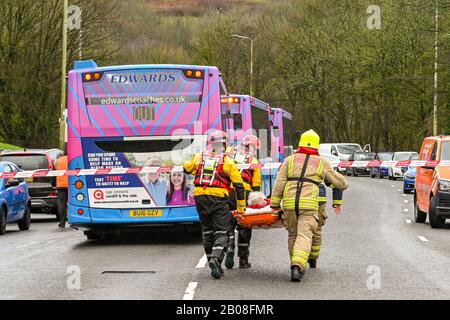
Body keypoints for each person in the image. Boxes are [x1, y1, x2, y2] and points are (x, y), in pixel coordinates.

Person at [270, 129, 348, 282]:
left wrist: (274, 203)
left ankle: (295, 264)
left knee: (293, 235)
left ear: (300, 143)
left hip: (290, 204)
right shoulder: (321, 162)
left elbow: (279, 183)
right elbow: (341, 183)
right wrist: (342, 184)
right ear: (317, 146)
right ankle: (298, 266)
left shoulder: (289, 160)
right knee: (305, 235)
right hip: (309, 205)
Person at [184, 130, 246, 279]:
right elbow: (239, 186)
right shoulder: (227, 162)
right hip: (218, 198)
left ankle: (213, 261)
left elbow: (187, 168)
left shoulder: (200, 157)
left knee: (207, 230)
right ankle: (216, 259)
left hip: (200, 197)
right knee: (222, 231)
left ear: (211, 143)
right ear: (225, 144)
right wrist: (241, 208)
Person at [225, 135, 262, 269]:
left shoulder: (229, 152)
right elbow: (256, 185)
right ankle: (243, 260)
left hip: (228, 192)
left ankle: (229, 247)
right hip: (245, 193)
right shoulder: (254, 160)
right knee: (244, 226)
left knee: (228, 223)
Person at [308, 181, 344, 268]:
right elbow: (337, 182)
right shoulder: (322, 167)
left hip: (299, 199)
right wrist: (337, 202)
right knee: (317, 228)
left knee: (299, 229)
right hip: (319, 199)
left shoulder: (294, 167)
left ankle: (297, 263)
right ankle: (313, 258)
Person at [54, 146, 68, 228]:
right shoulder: (72, 159)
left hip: (61, 185)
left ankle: (62, 222)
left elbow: (55, 171)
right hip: (72, 186)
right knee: (72, 203)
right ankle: (72, 220)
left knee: (62, 204)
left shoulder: (57, 161)